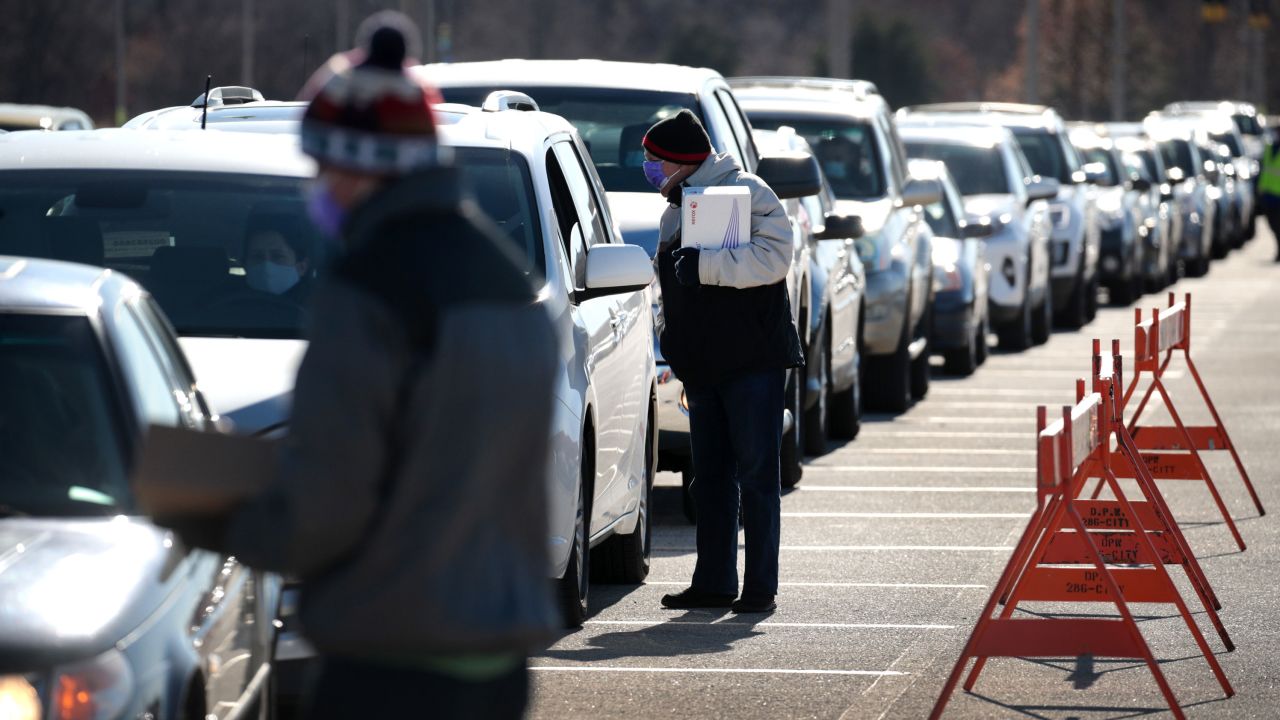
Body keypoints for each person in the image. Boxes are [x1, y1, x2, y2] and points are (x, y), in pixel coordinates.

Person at [158, 11, 559, 719]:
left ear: (356, 164)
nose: (319, 184)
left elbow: (329, 500)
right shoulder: (507, 282)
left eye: (323, 164)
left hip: (390, 659)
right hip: (495, 659)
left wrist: (214, 522)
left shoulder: (370, 289)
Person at [644, 109, 803, 615]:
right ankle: (713, 582)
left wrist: (706, 265)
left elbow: (774, 259)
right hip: (705, 366)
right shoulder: (675, 208)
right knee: (709, 477)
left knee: (757, 475)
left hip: (752, 362)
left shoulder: (750, 193)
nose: (650, 169)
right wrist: (673, 339)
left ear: (684, 161)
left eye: (655, 161)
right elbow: (671, 286)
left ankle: (759, 589)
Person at [244, 212, 314, 302]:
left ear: (301, 267)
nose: (266, 267)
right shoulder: (229, 307)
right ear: (245, 265)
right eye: (257, 257)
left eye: (277, 257)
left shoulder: (320, 310)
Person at [1259, 127, 1280, 260]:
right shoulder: (1269, 148)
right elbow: (1264, 170)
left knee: (1278, 226)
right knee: (1272, 224)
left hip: (1279, 196)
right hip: (1267, 195)